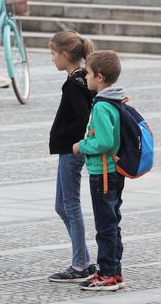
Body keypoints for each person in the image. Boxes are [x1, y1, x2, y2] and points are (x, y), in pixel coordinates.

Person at [73, 51, 126, 291]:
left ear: (100, 77)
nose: (86, 78)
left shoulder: (102, 106)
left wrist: (81, 146)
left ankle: (106, 273)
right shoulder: (115, 100)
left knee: (105, 226)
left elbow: (104, 142)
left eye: (89, 74)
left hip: (103, 174)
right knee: (112, 223)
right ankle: (115, 272)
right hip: (114, 172)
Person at [47, 31, 97, 283]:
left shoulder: (74, 84)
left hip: (71, 149)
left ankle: (80, 264)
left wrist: (64, 137)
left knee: (71, 205)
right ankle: (85, 260)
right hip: (68, 149)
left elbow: (81, 118)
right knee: (61, 205)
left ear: (66, 55)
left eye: (54, 54)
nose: (52, 59)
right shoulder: (80, 79)